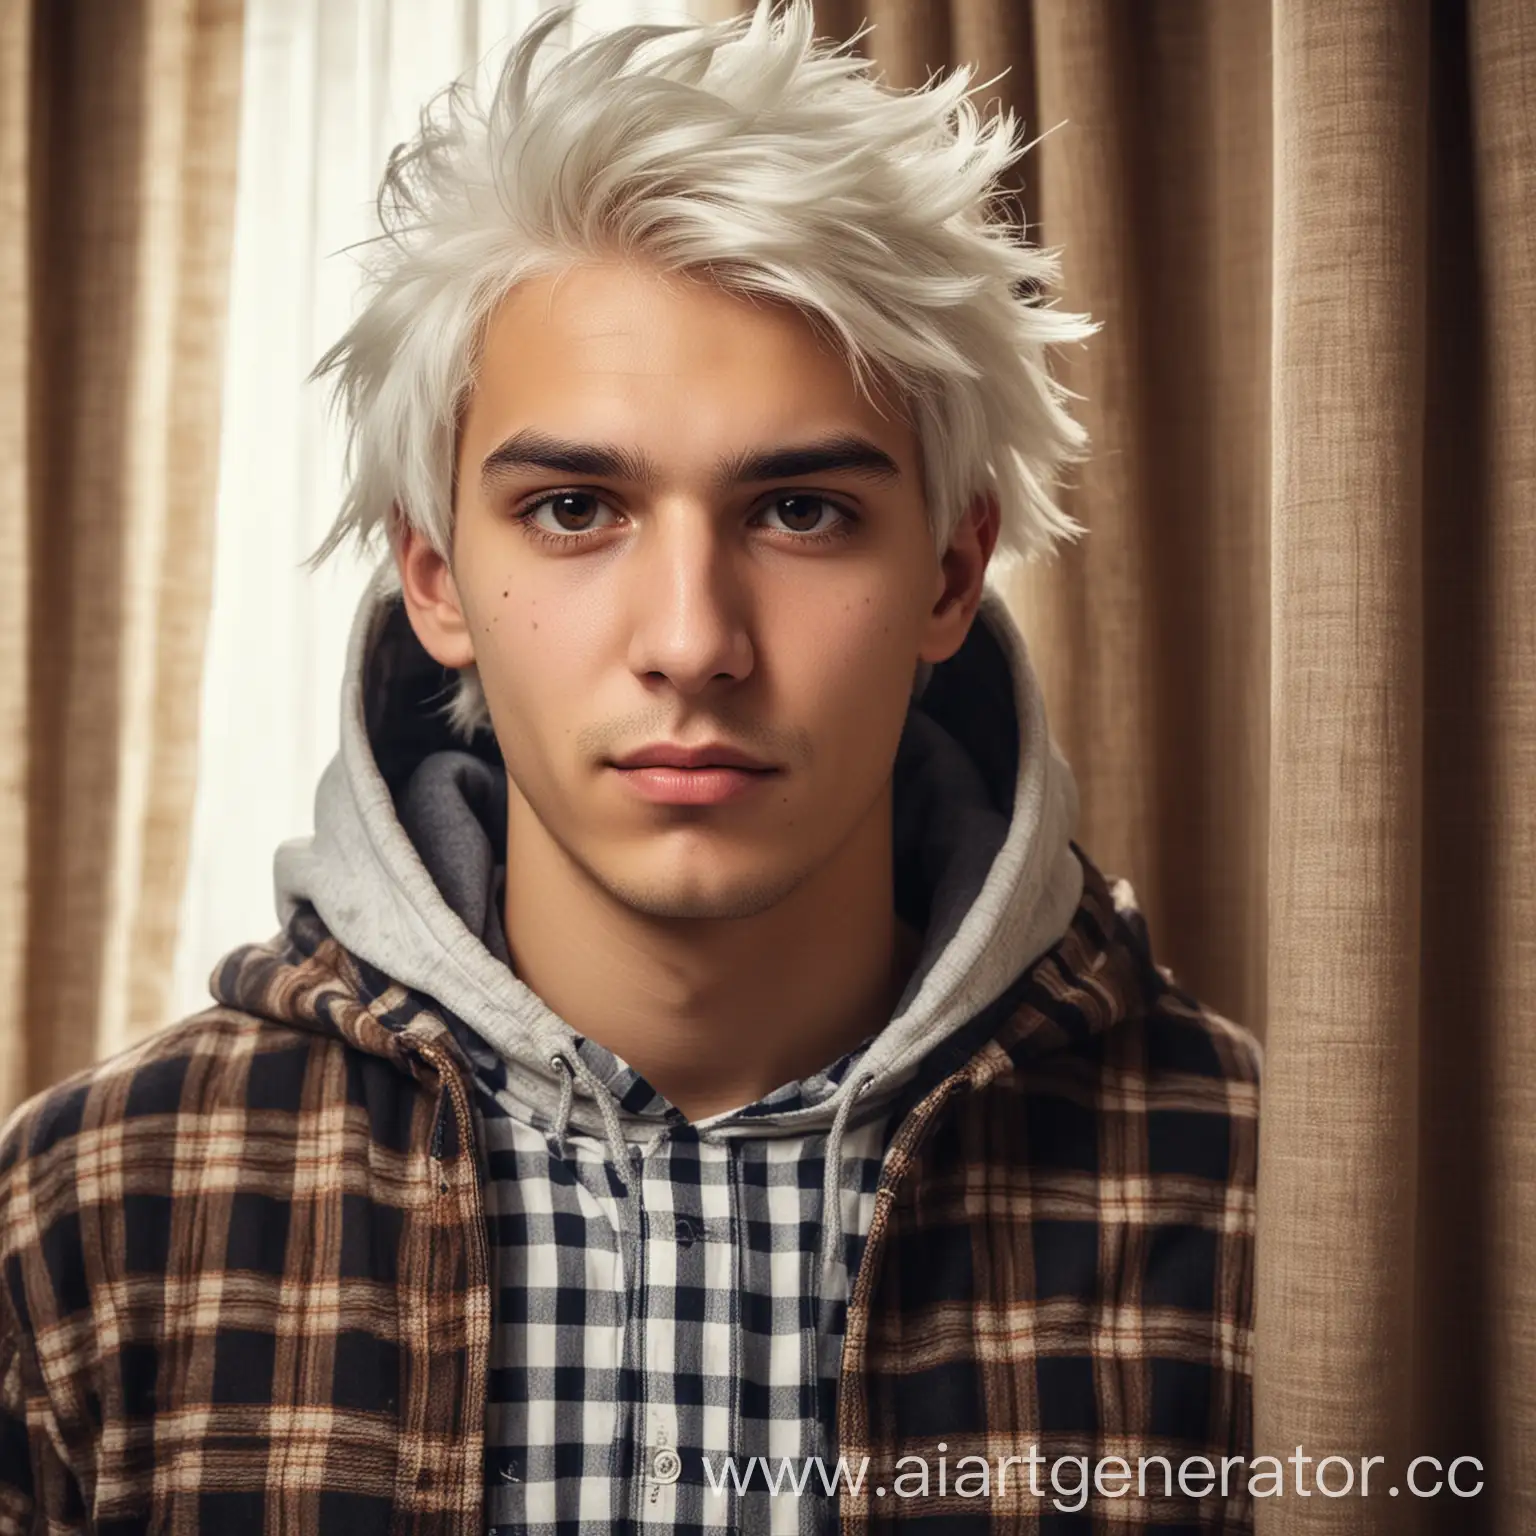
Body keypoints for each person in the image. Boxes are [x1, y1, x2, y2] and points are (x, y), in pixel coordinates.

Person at [0, 3, 1259, 1532]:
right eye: (578, 509)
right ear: (435, 579)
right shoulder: (91, 1213)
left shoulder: (1261, 1194)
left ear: (949, 571)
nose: (693, 641)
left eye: (800, 511)